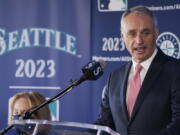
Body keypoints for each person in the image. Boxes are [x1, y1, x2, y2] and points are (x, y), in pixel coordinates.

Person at [95, 5, 180, 135]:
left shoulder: (175, 70)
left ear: (156, 33)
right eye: (132, 34)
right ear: (122, 37)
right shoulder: (115, 77)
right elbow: (105, 123)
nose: (139, 40)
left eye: (145, 33)